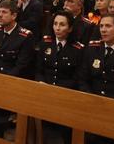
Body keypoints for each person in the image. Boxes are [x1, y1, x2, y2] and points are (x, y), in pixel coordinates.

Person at [0, 0, 35, 137]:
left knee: (0, 108)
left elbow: (21, 66)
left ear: (14, 16)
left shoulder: (25, 36)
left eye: (4, 12)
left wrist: (2, 81)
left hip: (12, 79)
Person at [36, 12, 84, 143]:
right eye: (55, 24)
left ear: (70, 28)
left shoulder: (78, 49)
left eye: (62, 25)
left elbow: (77, 78)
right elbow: (39, 69)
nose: (57, 28)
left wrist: (57, 90)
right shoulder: (46, 43)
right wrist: (41, 82)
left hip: (65, 95)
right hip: (44, 91)